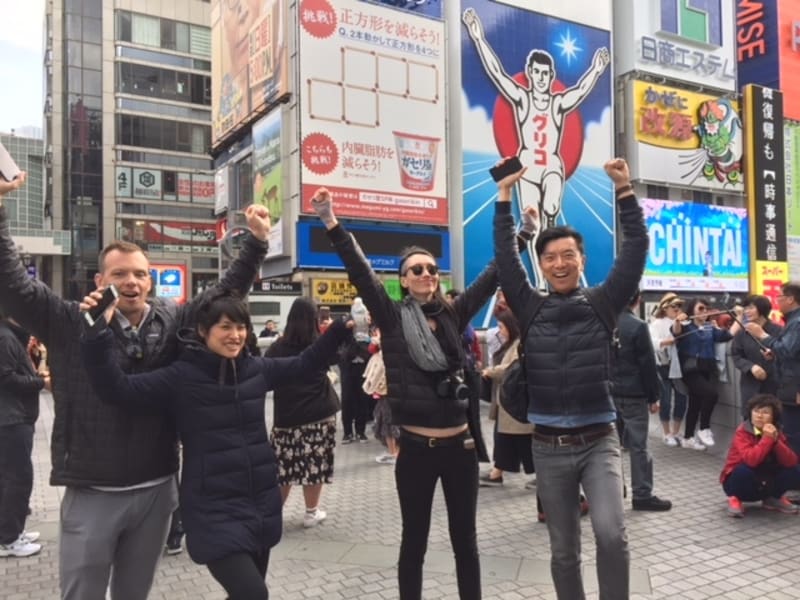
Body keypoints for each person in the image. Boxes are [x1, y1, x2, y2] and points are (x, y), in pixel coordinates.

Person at [0, 172, 270, 599]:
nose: (131, 282)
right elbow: (14, 287)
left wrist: (255, 243)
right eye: (120, 274)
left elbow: (223, 293)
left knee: (134, 592)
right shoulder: (69, 319)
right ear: (100, 280)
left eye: (140, 274)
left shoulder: (174, 319)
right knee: (82, 592)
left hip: (156, 486)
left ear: (150, 280)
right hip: (92, 486)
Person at [80, 290, 351, 599]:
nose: (235, 335)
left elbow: (306, 363)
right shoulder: (182, 377)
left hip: (259, 504)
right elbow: (118, 390)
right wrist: (95, 337)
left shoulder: (256, 370)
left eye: (240, 327)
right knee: (253, 594)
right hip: (213, 510)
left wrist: (339, 330)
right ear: (202, 330)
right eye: (225, 327)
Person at [311, 187, 509, 600]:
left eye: (431, 270)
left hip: (461, 448)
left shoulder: (454, 314)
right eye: (415, 270)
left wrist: (520, 233)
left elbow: (493, 276)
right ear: (402, 280)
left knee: (465, 542)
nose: (425, 275)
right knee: (413, 542)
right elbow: (361, 272)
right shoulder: (393, 316)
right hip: (416, 450)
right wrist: (331, 220)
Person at [493, 156, 647, 600]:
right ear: (540, 264)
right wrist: (504, 196)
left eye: (568, 256)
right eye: (550, 257)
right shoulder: (530, 306)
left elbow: (635, 249)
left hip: (600, 440)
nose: (559, 264)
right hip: (547, 446)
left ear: (581, 260)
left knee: (611, 535)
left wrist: (624, 190)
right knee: (563, 551)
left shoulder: (603, 302)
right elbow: (505, 258)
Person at [463, 8, 609, 287]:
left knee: (551, 207)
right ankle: (542, 282)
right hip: (528, 167)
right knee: (534, 227)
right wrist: (478, 36)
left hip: (552, 166)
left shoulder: (557, 103)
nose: (541, 77)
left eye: (546, 73)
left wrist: (597, 69)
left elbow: (580, 90)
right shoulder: (522, 98)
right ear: (530, 74)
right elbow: (497, 73)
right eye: (537, 72)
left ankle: (555, 253)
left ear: (551, 75)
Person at [266, 297, 340, 528]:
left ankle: (272, 515)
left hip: (287, 417)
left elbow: (266, 376)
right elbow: (337, 360)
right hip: (319, 413)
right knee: (315, 465)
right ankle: (311, 512)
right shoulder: (318, 344)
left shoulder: (277, 346)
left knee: (283, 469)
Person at [611, 291, 671, 512]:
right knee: (638, 446)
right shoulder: (637, 326)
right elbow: (647, 364)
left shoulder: (602, 322)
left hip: (607, 394)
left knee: (608, 446)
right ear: (636, 301)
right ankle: (642, 494)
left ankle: (614, 491)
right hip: (634, 393)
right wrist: (654, 396)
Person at [0, 311, 50, 557]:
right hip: (12, 419)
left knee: (9, 478)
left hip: (13, 417)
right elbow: (6, 378)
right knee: (17, 479)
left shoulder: (10, 336)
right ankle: (10, 539)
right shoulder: (6, 338)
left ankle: (11, 531)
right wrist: (41, 383)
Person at [672, 298, 739, 450]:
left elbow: (727, 336)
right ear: (692, 310)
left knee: (695, 403)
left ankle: (688, 437)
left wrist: (740, 317)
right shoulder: (686, 326)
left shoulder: (710, 328)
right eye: (701, 308)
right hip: (690, 370)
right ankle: (704, 428)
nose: (704, 312)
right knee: (711, 395)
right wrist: (677, 320)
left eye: (706, 309)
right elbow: (676, 332)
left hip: (707, 369)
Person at [720, 394, 800, 517]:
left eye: (765, 412)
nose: (759, 415)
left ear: (773, 417)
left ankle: (773, 498)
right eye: (756, 411)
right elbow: (751, 460)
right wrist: (767, 439)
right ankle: (735, 499)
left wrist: (775, 441)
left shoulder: (777, 430)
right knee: (743, 471)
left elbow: (791, 461)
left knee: (794, 470)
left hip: (765, 479)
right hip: (740, 482)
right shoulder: (743, 431)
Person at [479, 310, 534, 487]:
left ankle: (540, 475)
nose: (499, 330)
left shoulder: (519, 344)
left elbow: (511, 368)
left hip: (514, 404)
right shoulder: (512, 343)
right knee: (505, 440)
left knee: (521, 441)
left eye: (501, 327)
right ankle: (498, 472)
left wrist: (490, 372)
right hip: (507, 402)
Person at [745, 283, 800, 455]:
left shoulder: (797, 322)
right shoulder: (792, 321)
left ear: (791, 299)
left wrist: (762, 335)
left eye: (780, 297)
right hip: (788, 389)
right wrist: (774, 354)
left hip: (793, 391)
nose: (777, 301)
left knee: (793, 437)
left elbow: (788, 350)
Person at [731, 295, 782, 419]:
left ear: (762, 309)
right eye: (745, 308)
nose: (747, 311)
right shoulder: (742, 332)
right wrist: (751, 367)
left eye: (751, 308)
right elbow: (736, 355)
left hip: (773, 384)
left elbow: (785, 353)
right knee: (750, 421)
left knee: (772, 420)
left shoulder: (778, 330)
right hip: (750, 384)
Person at [648, 292, 688, 446]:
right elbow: (652, 342)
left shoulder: (683, 323)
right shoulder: (657, 323)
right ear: (665, 308)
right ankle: (666, 432)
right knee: (665, 399)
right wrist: (666, 342)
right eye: (674, 306)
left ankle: (676, 431)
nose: (677, 309)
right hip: (664, 365)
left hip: (680, 366)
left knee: (682, 398)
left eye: (679, 306)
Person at [338, 298, 373, 444]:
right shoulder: (345, 321)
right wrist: (346, 327)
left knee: (362, 398)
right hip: (348, 365)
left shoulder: (370, 321)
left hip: (363, 364)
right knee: (347, 399)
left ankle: (360, 431)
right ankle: (347, 432)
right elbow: (339, 341)